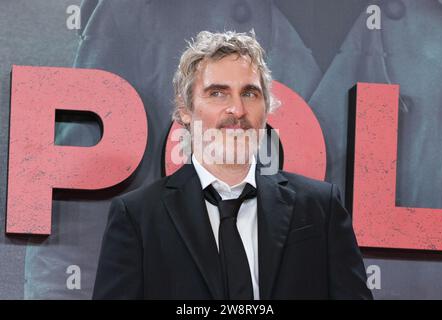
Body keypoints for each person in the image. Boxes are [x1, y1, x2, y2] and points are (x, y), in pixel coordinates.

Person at [92, 30, 372, 300]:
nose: (237, 110)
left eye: (250, 93)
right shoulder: (137, 217)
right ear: (185, 110)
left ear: (267, 108)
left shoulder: (320, 207)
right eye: (217, 93)